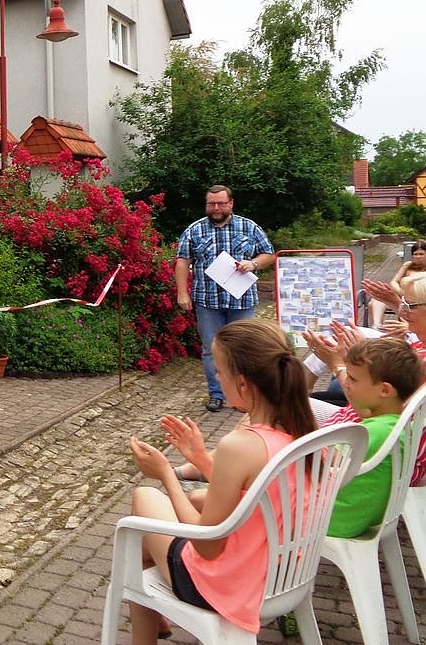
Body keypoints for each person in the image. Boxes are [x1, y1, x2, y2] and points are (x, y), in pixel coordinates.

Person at [126, 319, 316, 641]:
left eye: (219, 371)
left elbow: (207, 546)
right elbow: (256, 494)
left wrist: (165, 474)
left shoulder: (240, 444)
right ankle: (153, 624)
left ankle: (143, 634)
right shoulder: (301, 429)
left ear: (243, 384)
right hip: (282, 573)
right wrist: (201, 460)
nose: (215, 378)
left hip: (229, 583)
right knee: (147, 538)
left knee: (144, 498)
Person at [175, 185, 275, 413]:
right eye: (211, 204)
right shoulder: (194, 230)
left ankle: (244, 396)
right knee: (211, 349)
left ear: (231, 204)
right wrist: (182, 292)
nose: (216, 208)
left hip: (242, 301)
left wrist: (253, 263)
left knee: (243, 350)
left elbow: (269, 253)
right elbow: (183, 261)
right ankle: (217, 394)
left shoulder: (249, 226)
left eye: (221, 203)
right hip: (207, 301)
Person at [326, 339, 424, 537]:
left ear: (385, 390)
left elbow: (323, 461)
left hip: (334, 521)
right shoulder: (393, 426)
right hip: (359, 517)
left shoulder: (375, 432)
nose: (345, 383)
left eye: (353, 379)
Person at [368, 239, 426, 329]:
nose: (418, 257)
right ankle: (377, 326)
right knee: (376, 299)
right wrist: (401, 292)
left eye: (421, 254)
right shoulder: (408, 265)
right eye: (415, 254)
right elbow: (393, 282)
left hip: (419, 300)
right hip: (402, 297)